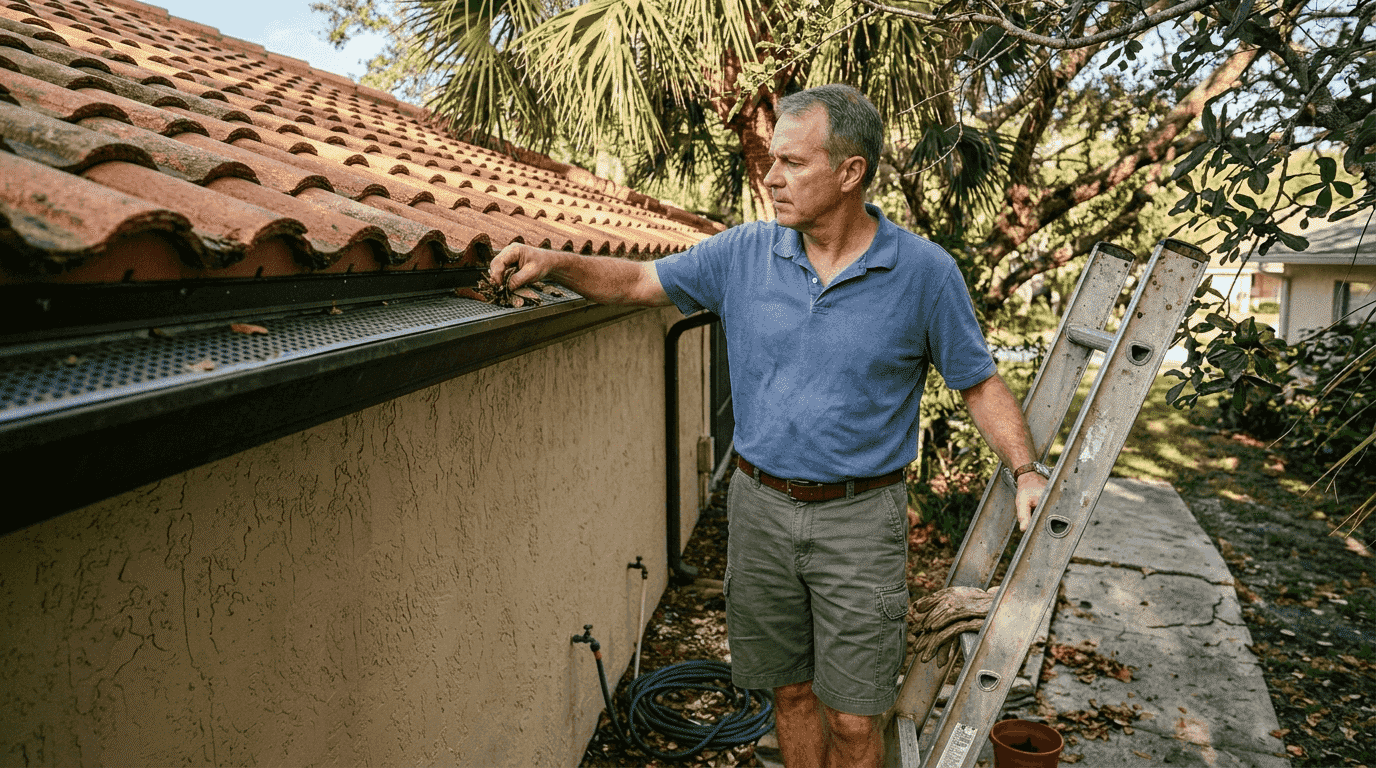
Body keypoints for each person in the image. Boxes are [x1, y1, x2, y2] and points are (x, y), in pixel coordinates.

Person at [488, 83, 1049, 768]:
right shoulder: (744, 253)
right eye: (772, 160)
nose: (772, 177)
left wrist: (1025, 470)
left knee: (854, 720)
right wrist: (556, 262)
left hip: (859, 521)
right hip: (759, 510)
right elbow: (637, 282)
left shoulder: (924, 274)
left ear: (851, 172)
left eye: (793, 163)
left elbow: (979, 383)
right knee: (790, 694)